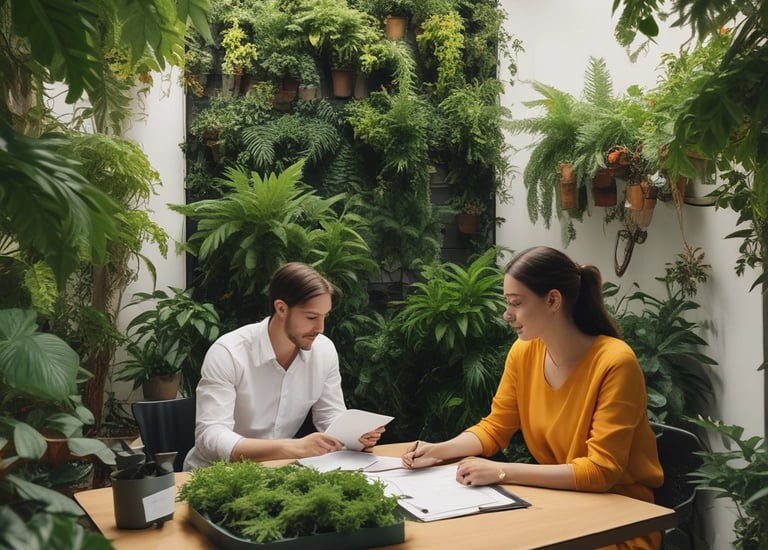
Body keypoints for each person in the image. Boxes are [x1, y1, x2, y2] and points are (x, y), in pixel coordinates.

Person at [401, 246, 664, 550]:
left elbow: (600, 472)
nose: (507, 314)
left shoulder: (615, 363)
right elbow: (495, 427)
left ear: (553, 300)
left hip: (618, 523)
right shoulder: (524, 352)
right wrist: (439, 450)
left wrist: (502, 471)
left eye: (516, 303)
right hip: (559, 506)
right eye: (507, 302)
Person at [184, 262, 384, 470]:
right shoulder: (229, 353)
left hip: (278, 473)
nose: (320, 328)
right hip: (213, 474)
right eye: (311, 317)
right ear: (281, 308)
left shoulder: (324, 351)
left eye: (325, 317)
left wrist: (354, 435)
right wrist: (294, 448)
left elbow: (330, 418)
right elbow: (210, 436)